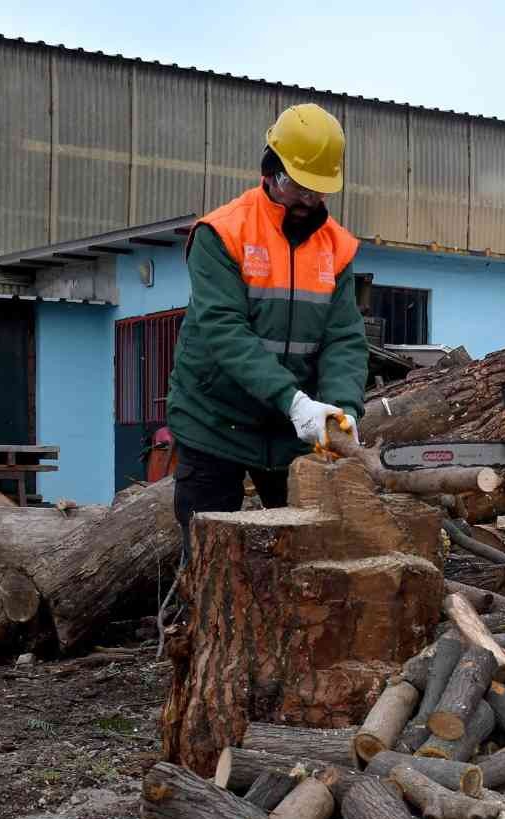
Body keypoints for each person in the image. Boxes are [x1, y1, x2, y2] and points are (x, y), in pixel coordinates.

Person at [165, 103, 370, 559]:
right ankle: (189, 627)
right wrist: (292, 399)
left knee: (306, 556)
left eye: (318, 191)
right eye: (299, 187)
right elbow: (225, 332)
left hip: (288, 430)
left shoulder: (337, 247)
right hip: (214, 418)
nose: (308, 200)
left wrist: (343, 407)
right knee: (208, 559)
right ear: (272, 169)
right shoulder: (223, 233)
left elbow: (344, 338)